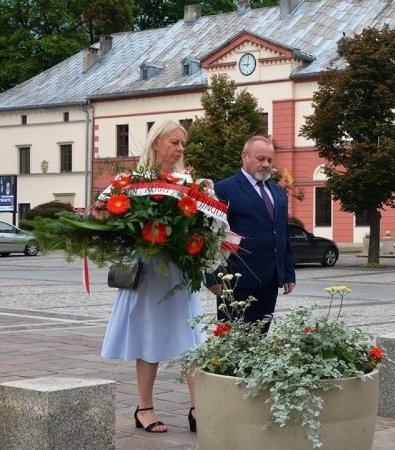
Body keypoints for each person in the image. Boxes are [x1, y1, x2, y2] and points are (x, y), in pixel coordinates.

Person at [100, 120, 206, 434]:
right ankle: (144, 408)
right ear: (156, 143)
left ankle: (199, 409)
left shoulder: (188, 182)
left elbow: (204, 224)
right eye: (174, 142)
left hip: (180, 274)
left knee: (192, 340)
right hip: (148, 272)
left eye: (182, 144)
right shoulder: (130, 181)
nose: (180, 149)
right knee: (149, 336)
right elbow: (101, 211)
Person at [212, 135, 296, 331]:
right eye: (261, 159)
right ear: (245, 156)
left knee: (260, 337)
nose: (266, 164)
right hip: (236, 281)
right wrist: (214, 277)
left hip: (270, 279)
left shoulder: (278, 193)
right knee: (232, 340)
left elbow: (283, 234)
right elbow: (212, 235)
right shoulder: (223, 189)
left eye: (270, 160)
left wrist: (288, 273)